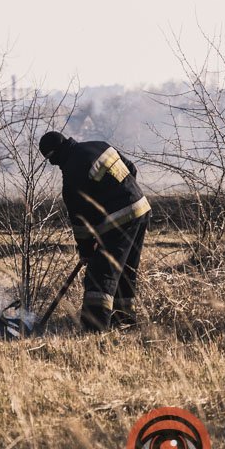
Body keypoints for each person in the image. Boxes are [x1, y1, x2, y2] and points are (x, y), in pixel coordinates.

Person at [38, 131, 150, 331]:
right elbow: (130, 169)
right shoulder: (99, 145)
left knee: (101, 273)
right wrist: (125, 195)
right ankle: (124, 323)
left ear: (54, 154)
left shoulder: (72, 173)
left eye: (50, 160)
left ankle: (94, 329)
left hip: (119, 220)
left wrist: (87, 250)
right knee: (125, 271)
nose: (52, 164)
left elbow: (80, 221)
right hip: (141, 209)